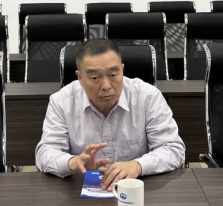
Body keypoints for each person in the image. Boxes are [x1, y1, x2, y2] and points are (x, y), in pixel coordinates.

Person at [36, 39, 185, 189]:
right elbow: (45, 153)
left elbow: (173, 149)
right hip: (81, 191)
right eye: (95, 78)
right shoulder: (61, 102)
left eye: (113, 75)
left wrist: (138, 165)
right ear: (80, 78)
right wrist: (73, 162)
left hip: (138, 189)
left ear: (122, 70)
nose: (106, 86)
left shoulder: (148, 97)